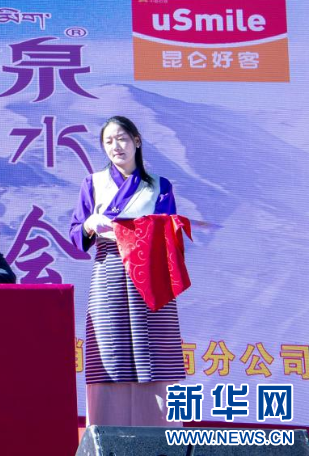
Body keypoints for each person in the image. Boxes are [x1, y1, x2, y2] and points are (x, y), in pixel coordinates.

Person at [70, 115, 185, 427]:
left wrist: (141, 232)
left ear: (137, 141)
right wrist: (89, 224)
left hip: (150, 274)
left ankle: (162, 433)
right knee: (109, 350)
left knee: (156, 352)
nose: (115, 146)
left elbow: (169, 233)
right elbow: (76, 235)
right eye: (108, 141)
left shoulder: (159, 186)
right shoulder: (93, 183)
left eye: (121, 138)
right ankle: (107, 434)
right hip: (109, 271)